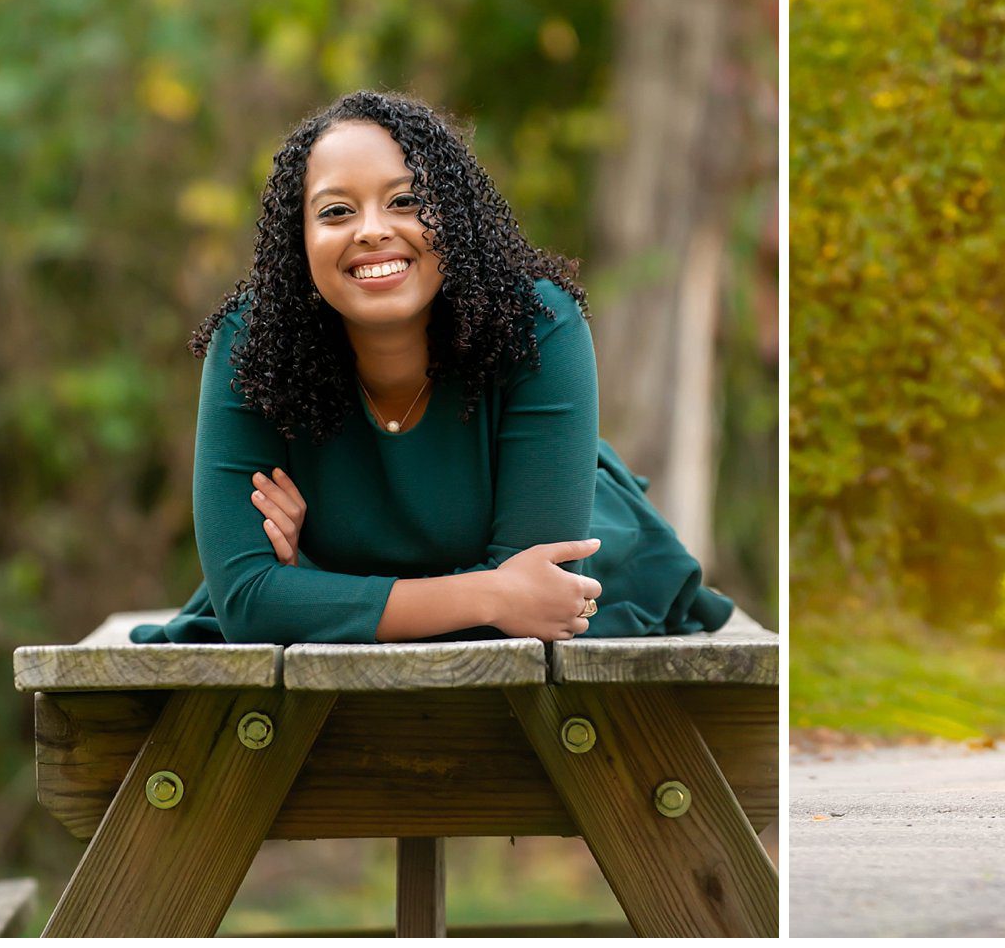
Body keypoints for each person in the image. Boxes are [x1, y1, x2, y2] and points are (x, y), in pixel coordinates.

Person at [132, 90, 732, 645]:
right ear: (300, 240)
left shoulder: (538, 324)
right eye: (336, 211)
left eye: (406, 201)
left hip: (590, 597)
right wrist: (492, 593)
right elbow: (248, 605)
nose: (373, 231)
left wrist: (313, 588)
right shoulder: (255, 344)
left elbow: (534, 610)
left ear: (456, 217)